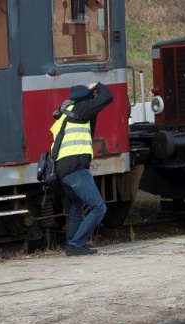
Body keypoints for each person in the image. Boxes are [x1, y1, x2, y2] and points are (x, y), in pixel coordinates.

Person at [51, 82, 113, 256]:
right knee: (99, 207)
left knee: (77, 204)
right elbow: (108, 97)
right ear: (86, 98)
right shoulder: (81, 109)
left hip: (62, 170)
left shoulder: (64, 112)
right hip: (75, 168)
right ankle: (76, 243)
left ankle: (73, 245)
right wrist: (97, 85)